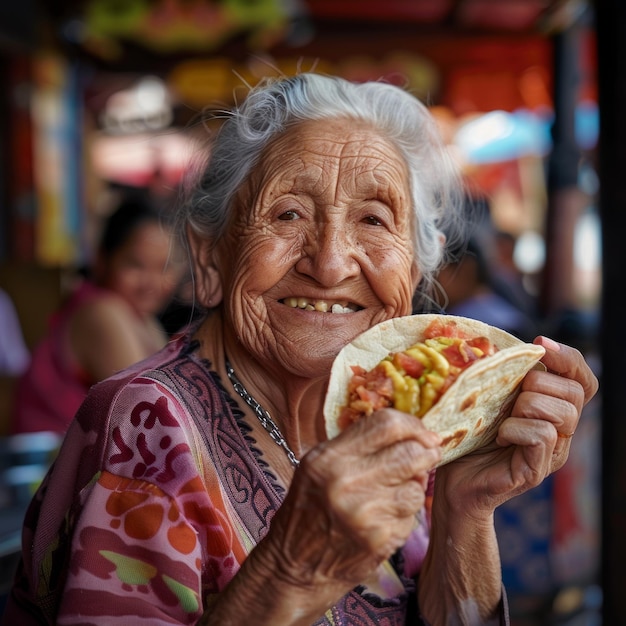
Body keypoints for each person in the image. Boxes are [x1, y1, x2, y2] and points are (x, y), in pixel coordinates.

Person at [2, 73, 598, 626]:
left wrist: (465, 507)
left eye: (372, 219)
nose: (331, 263)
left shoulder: (398, 421)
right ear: (210, 259)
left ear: (415, 273)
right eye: (287, 214)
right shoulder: (145, 430)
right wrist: (289, 571)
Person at [10, 194, 182, 435]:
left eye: (164, 268)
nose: (152, 283)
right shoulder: (102, 312)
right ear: (102, 260)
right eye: (136, 265)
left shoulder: (141, 317)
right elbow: (150, 412)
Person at [436, 236, 539, 342]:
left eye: (435, 271)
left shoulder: (494, 326)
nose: (429, 284)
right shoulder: (503, 311)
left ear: (465, 271)